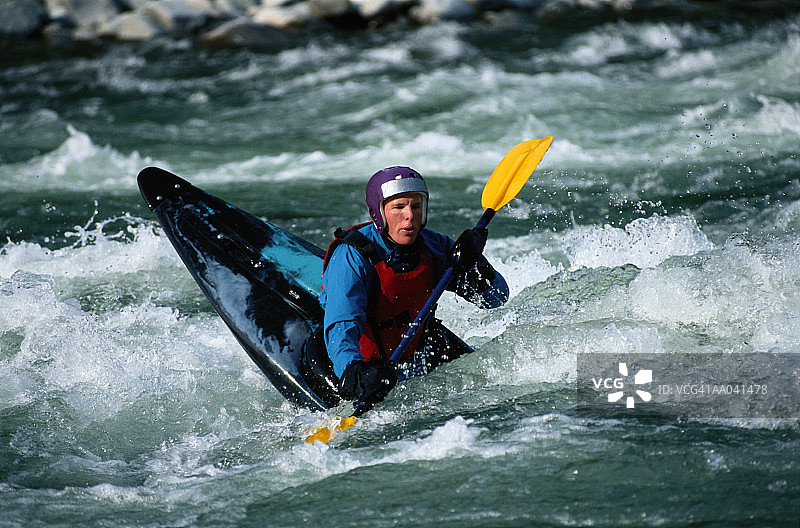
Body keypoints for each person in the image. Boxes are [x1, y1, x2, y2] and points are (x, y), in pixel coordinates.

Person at [302, 166, 509, 412]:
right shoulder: (353, 257)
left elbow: (496, 299)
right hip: (351, 361)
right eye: (398, 207)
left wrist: (477, 265)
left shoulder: (435, 246)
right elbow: (342, 325)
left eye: (416, 206)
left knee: (488, 386)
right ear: (379, 214)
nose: (409, 216)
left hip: (418, 346)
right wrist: (355, 374)